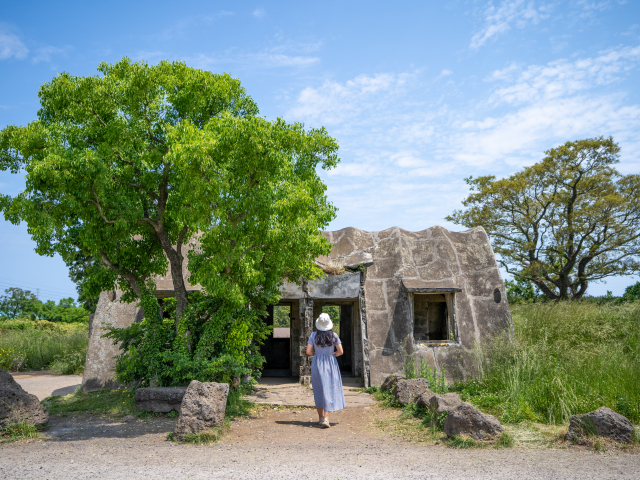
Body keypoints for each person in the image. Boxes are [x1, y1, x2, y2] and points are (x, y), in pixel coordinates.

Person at [306, 312, 346, 428]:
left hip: (317, 363)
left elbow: (308, 352)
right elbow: (341, 351)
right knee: (328, 389)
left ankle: (320, 418)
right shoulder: (334, 336)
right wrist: (331, 354)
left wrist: (316, 354)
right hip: (330, 363)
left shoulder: (314, 335)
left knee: (318, 390)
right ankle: (326, 419)